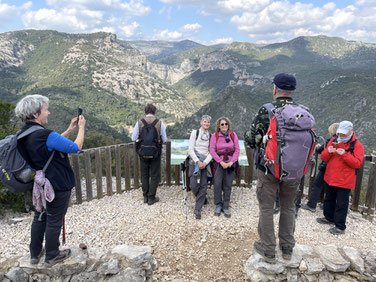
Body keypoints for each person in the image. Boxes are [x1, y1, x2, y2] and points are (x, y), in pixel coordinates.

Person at [15, 94, 86, 266]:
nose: (49, 113)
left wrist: (69, 130)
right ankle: (52, 255)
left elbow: (49, 146)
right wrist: (82, 128)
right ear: (35, 114)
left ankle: (35, 253)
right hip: (57, 184)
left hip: (40, 184)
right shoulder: (44, 134)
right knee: (54, 218)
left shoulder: (24, 134)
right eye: (46, 109)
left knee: (40, 216)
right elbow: (76, 148)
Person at [244, 73, 307, 263]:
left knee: (266, 208)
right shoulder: (303, 111)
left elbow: (250, 139)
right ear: (293, 91)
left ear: (274, 90)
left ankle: (268, 249)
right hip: (293, 171)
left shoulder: (267, 110)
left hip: (268, 169)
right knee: (288, 207)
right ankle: (287, 248)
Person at [317, 121, 364, 235]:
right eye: (339, 134)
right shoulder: (333, 141)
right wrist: (328, 151)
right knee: (329, 199)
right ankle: (328, 217)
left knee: (342, 204)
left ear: (350, 131)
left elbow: (357, 163)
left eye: (343, 134)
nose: (340, 136)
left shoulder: (357, 146)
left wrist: (344, 154)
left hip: (345, 180)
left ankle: (340, 226)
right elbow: (324, 157)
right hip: (330, 177)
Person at [131, 103, 167, 205]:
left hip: (143, 152)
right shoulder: (159, 123)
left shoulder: (140, 123)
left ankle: (145, 196)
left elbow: (133, 138)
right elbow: (164, 139)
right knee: (154, 175)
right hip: (155, 153)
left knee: (144, 174)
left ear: (145, 112)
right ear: (155, 112)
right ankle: (152, 197)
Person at [302, 123, 339, 212]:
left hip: (326, 166)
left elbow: (321, 149)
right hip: (336, 168)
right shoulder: (342, 140)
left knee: (317, 185)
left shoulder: (331, 139)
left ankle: (311, 205)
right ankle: (325, 205)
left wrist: (317, 147)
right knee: (330, 187)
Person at [209, 117, 240, 218]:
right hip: (219, 163)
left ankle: (226, 206)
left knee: (228, 184)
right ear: (218, 126)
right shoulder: (215, 136)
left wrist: (231, 162)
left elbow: (237, 150)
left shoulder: (233, 135)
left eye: (226, 124)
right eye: (222, 124)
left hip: (230, 163)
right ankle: (218, 204)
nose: (224, 126)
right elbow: (212, 150)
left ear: (228, 125)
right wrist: (220, 161)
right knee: (217, 184)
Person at [188, 115, 213, 219]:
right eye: (205, 122)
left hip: (205, 161)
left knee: (203, 184)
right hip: (195, 161)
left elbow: (212, 151)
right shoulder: (195, 133)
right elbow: (190, 149)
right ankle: (202, 198)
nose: (206, 124)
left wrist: (205, 162)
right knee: (193, 184)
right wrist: (198, 161)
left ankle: (197, 209)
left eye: (208, 122)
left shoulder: (211, 136)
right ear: (201, 123)